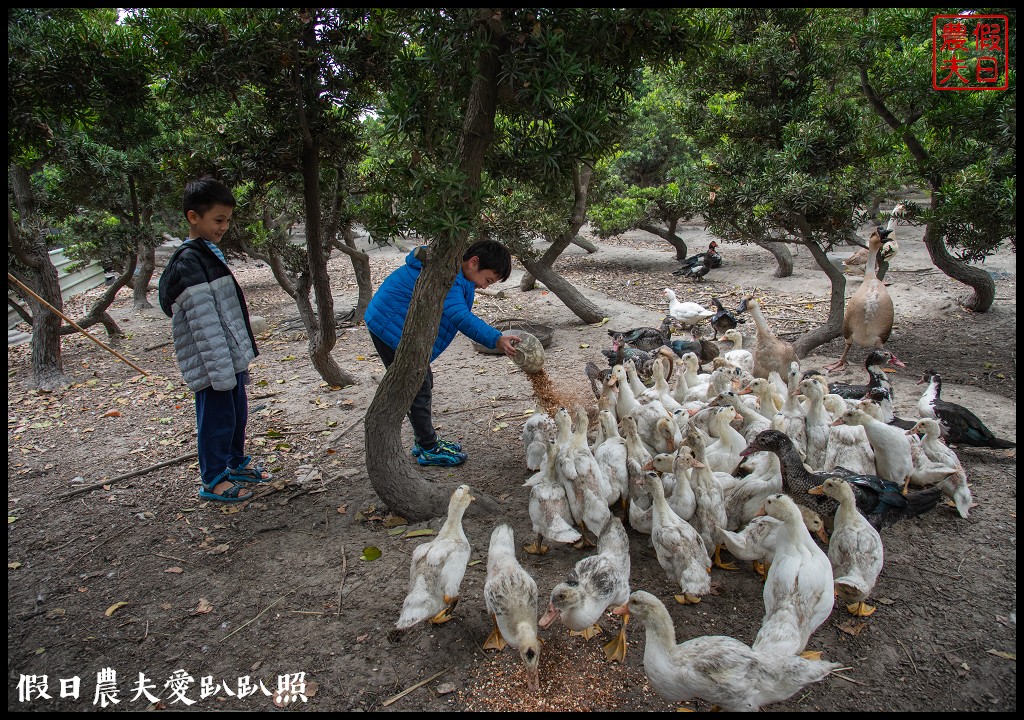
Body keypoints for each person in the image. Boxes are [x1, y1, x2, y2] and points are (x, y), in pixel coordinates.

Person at [158, 176, 269, 503]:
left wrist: (237, 355)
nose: (224, 226)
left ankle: (234, 463)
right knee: (217, 420)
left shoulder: (209, 252)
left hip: (227, 356)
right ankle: (213, 479)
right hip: (212, 361)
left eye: (228, 220)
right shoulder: (189, 261)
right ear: (194, 217)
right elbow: (204, 322)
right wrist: (221, 367)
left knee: (236, 415)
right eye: (218, 220)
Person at [364, 240, 519, 466]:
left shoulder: (455, 273)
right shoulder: (450, 279)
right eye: (488, 280)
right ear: (474, 263)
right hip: (389, 327)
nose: (486, 287)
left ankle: (425, 440)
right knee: (418, 386)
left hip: (392, 326)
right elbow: (460, 316)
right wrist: (495, 339)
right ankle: (427, 447)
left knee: (420, 383)